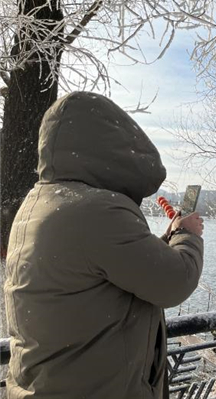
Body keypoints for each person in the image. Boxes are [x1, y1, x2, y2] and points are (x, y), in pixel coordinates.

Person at [4, 92, 204, 399]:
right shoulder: (96, 210)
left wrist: (166, 239)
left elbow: (111, 266)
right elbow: (174, 281)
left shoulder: (38, 202)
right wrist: (188, 236)